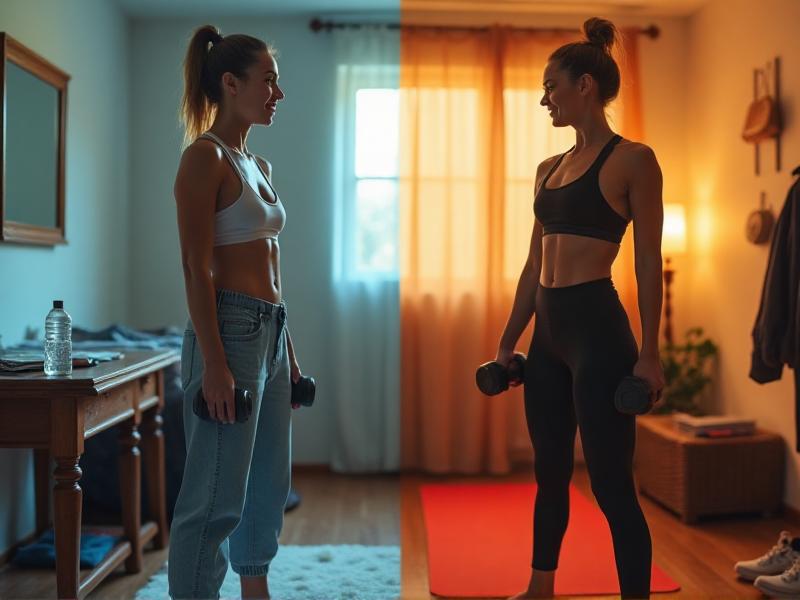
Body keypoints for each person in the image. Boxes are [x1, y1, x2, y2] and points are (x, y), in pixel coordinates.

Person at [496, 17, 666, 600]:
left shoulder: (634, 161)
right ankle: (539, 589)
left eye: (552, 86)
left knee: (612, 484)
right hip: (548, 336)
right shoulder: (547, 169)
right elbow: (530, 267)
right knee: (548, 474)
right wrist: (507, 341)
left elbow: (647, 264)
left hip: (599, 333)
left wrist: (651, 356)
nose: (545, 98)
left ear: (585, 85)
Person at [168, 24, 300, 600]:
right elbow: (197, 268)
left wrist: (289, 354)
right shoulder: (204, 159)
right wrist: (216, 365)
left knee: (267, 483)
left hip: (269, 333)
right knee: (216, 491)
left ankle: (255, 590)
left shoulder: (259, 164)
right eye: (268, 81)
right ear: (230, 82)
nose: (278, 92)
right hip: (229, 332)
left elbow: (273, 267)